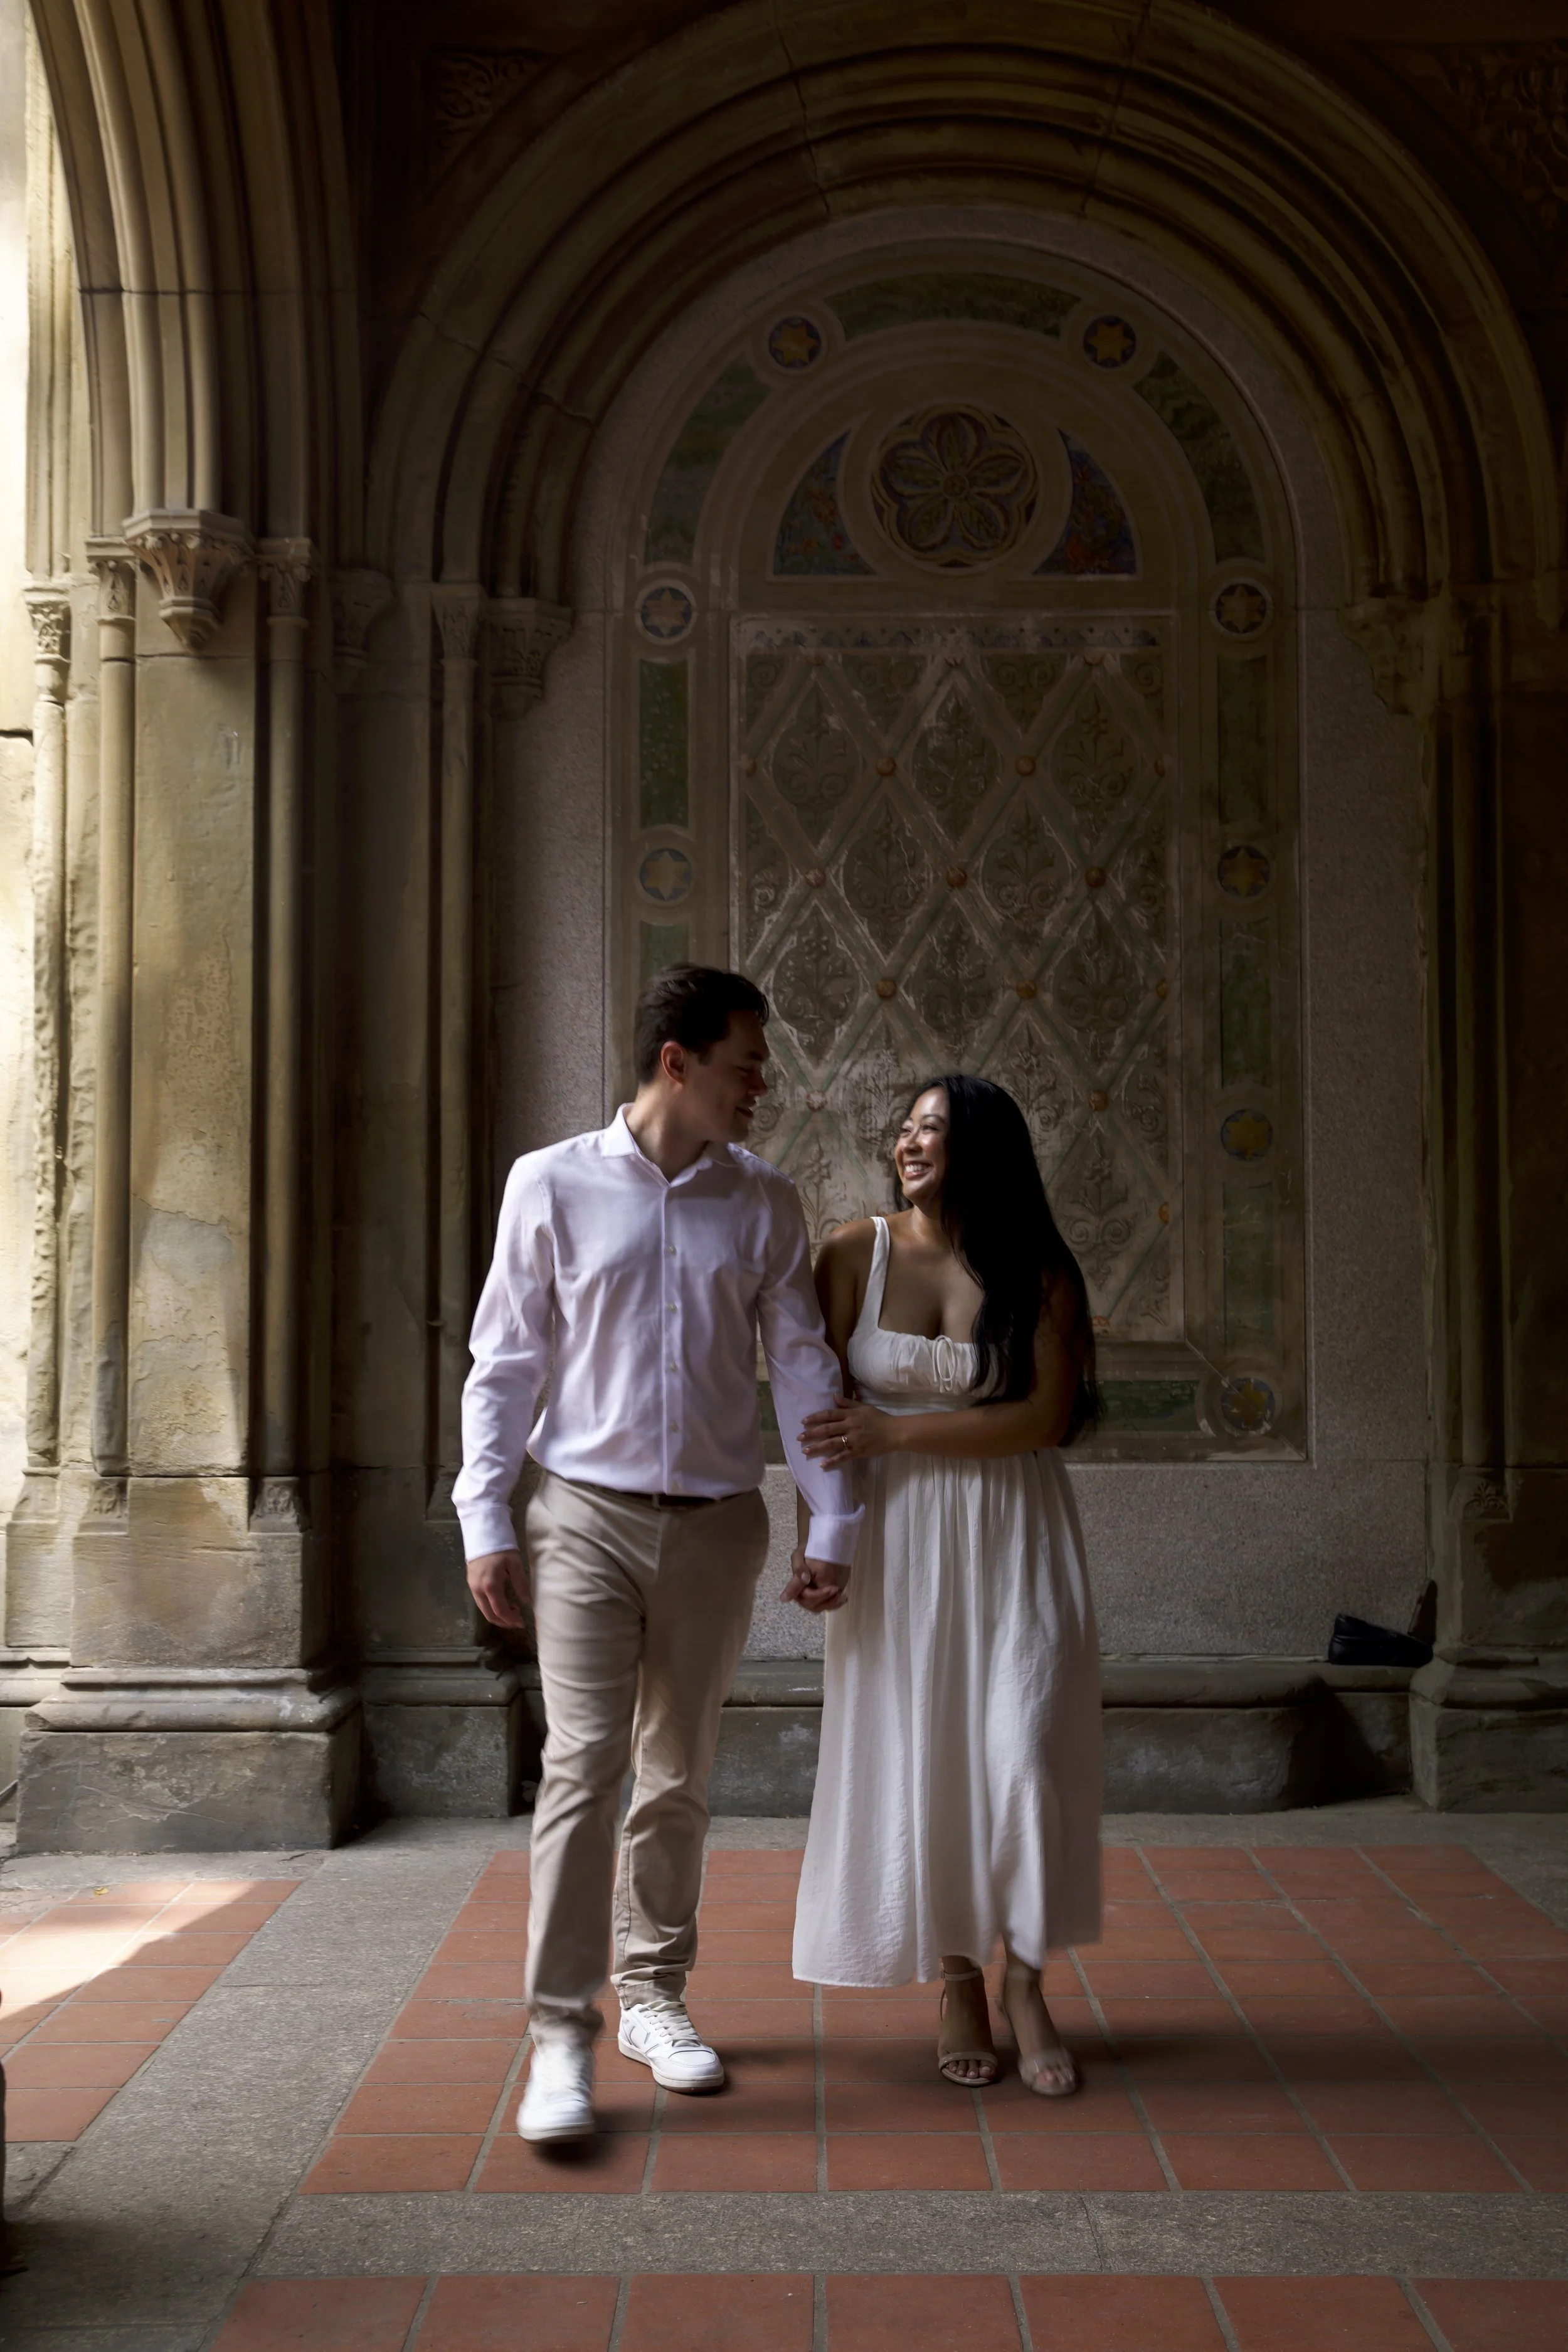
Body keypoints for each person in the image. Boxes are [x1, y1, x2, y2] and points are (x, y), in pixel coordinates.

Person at [455, 966, 861, 2143]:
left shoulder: (766, 1201)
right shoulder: (551, 1184)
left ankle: (655, 1996)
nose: (761, 1087)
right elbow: (505, 1364)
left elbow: (803, 1370)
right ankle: (559, 2040)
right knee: (583, 1764)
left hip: (718, 1524)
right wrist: (485, 1516)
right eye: (746, 1064)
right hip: (582, 1512)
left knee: (676, 1771)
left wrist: (828, 1520)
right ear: (675, 1061)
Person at [788, 1075, 1101, 2095]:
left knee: (1024, 1753)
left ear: (988, 1153)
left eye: (938, 1129)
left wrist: (898, 1430)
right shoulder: (850, 1252)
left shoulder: (1037, 1268)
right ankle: (962, 1979)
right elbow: (814, 1414)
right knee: (929, 1759)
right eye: (909, 1126)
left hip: (1012, 1530)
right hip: (897, 1544)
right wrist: (818, 1537)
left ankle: (1028, 1983)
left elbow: (1046, 1418)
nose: (912, 1141)